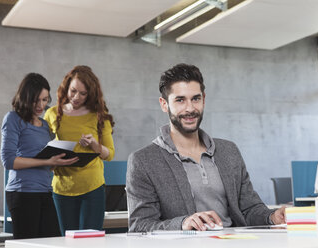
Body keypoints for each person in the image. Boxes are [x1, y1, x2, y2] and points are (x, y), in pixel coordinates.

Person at [126, 63, 286, 232]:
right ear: (164, 104)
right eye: (180, 100)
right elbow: (140, 226)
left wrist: (272, 216)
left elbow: (249, 209)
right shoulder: (143, 161)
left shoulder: (228, 151)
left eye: (195, 99)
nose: (190, 108)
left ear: (203, 99)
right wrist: (183, 224)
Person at [0, 73, 79, 239]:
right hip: (22, 193)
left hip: (44, 191)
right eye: (36, 100)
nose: (40, 105)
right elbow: (8, 161)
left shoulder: (44, 125)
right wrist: (46, 161)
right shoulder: (13, 119)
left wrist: (58, 162)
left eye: (44, 100)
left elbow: (47, 163)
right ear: (25, 97)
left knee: (52, 242)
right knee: (28, 243)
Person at [44, 65, 115, 235]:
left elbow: (110, 154)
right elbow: (44, 150)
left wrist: (94, 145)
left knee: (90, 242)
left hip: (92, 187)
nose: (76, 97)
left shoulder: (99, 115)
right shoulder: (52, 114)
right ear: (66, 87)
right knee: (67, 241)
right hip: (62, 187)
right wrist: (51, 160)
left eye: (83, 94)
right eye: (73, 91)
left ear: (90, 94)